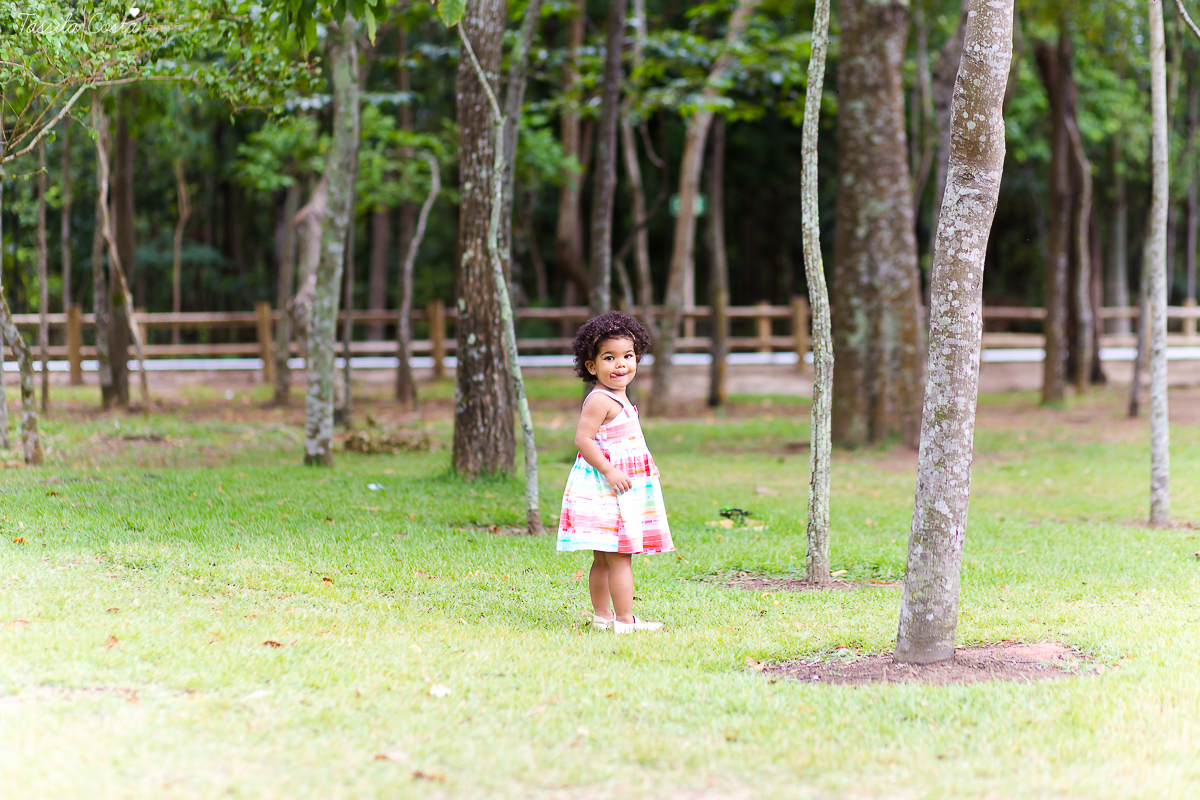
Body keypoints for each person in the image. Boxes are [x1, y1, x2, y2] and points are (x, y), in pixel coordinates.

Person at [557, 312, 673, 633]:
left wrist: (649, 465)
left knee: (605, 558)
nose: (621, 364)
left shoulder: (619, 395)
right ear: (592, 366)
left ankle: (602, 617)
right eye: (610, 357)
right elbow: (583, 439)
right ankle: (624, 620)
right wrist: (608, 470)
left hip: (619, 484)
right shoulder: (599, 399)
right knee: (619, 556)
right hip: (608, 487)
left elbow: (629, 439)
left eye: (628, 356)